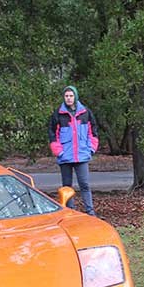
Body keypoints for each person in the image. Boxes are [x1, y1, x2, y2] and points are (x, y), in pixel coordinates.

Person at [48, 86, 99, 215]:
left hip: (82, 156)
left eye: (71, 96)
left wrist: (91, 149)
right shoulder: (58, 114)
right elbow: (53, 134)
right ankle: (69, 212)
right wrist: (59, 152)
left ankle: (90, 212)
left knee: (85, 185)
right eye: (66, 96)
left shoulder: (85, 112)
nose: (69, 98)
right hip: (65, 157)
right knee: (67, 187)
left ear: (75, 97)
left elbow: (92, 133)